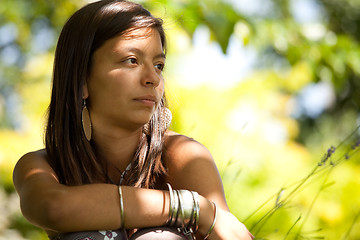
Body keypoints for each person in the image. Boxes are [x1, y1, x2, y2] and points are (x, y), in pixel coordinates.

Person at [12, 0, 254, 239]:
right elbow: (54, 208)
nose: (153, 79)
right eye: (131, 60)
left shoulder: (185, 157)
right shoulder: (43, 166)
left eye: (159, 65)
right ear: (81, 80)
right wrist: (193, 207)